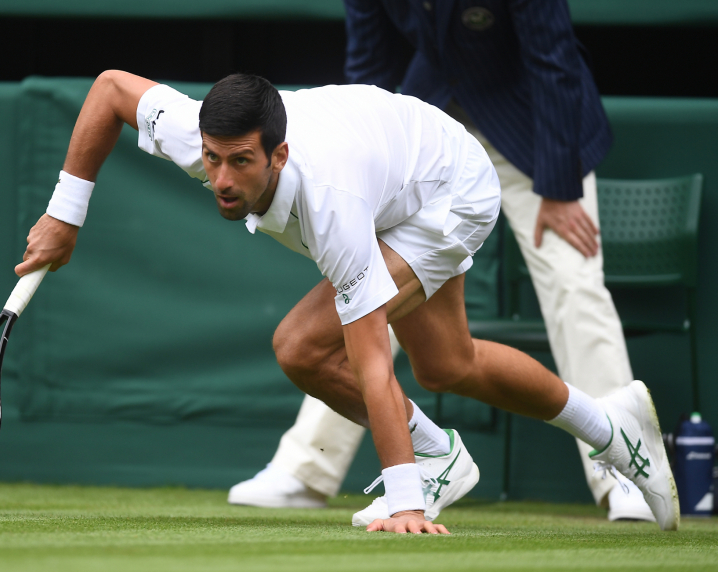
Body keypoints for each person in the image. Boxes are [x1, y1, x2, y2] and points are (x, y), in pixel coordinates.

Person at [15, 69, 678, 533]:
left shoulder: (331, 204)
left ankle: (436, 463)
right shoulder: (200, 134)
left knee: (303, 345)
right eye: (212, 159)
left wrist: (407, 501)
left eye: (241, 162)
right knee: (450, 363)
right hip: (400, 162)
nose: (220, 179)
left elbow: (370, 363)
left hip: (449, 189)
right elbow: (108, 90)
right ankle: (612, 428)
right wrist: (65, 217)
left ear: (278, 153)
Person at [229, 0, 656, 524]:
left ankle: (623, 462)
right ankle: (306, 469)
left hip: (537, 131)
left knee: (573, 281)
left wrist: (561, 184)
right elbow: (367, 69)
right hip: (425, 134)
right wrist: (366, 164)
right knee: (368, 296)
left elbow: (554, 59)